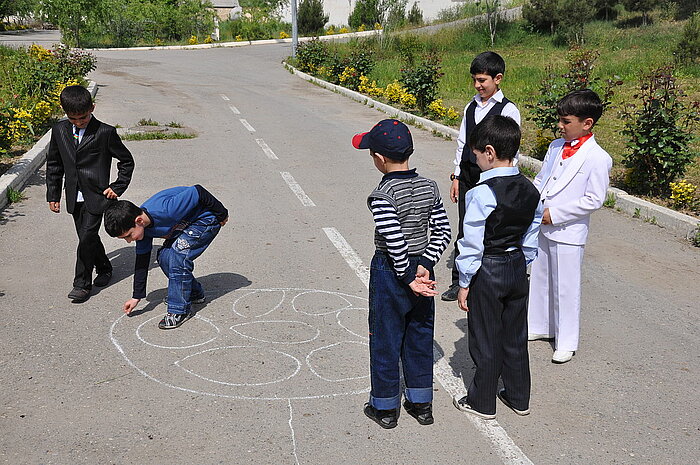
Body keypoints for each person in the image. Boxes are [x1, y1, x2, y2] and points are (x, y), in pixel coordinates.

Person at [352, 119, 451, 429]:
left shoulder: (383, 194)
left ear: (380, 159)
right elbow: (443, 230)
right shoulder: (429, 186)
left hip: (390, 273)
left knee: (385, 337)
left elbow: (393, 240)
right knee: (419, 334)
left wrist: (408, 276)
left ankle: (384, 406)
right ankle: (421, 404)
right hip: (423, 267)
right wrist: (424, 263)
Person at [452, 115, 543, 420]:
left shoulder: (480, 193)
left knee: (486, 337)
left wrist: (465, 282)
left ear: (489, 152)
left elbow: (472, 243)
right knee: (515, 334)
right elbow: (531, 238)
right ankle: (518, 397)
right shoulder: (531, 190)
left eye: (476, 154)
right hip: (517, 265)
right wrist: (523, 266)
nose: (475, 160)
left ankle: (482, 402)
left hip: (488, 269)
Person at [527, 89, 612, 364]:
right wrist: (530, 201)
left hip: (568, 229)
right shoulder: (554, 147)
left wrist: (558, 214)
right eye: (560, 121)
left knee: (565, 285)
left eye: (566, 122)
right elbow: (542, 178)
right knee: (540, 277)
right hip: (542, 221)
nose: (560, 126)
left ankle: (566, 340)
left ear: (587, 123)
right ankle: (540, 325)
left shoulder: (598, 157)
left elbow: (594, 199)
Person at [442, 51, 522, 302]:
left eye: (482, 81)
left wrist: (504, 179)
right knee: (466, 226)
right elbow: (462, 141)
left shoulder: (508, 110)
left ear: (497, 79)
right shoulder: (470, 107)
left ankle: (486, 277)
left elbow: (512, 149)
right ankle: (459, 279)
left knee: (490, 227)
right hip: (468, 174)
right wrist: (456, 175)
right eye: (475, 80)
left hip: (493, 178)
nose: (478, 85)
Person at [46, 85, 135, 303]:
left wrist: (117, 186)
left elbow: (126, 161)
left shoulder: (105, 132)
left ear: (92, 108)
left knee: (86, 238)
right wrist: (53, 194)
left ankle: (82, 284)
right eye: (73, 118)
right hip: (73, 197)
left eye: (83, 118)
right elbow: (54, 164)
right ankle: (104, 267)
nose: (78, 122)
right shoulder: (59, 130)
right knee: (88, 237)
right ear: (64, 112)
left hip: (97, 196)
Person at [103, 185, 229, 329]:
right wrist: (136, 296)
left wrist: (222, 213)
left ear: (139, 221)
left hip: (206, 219)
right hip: (186, 226)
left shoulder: (166, 209)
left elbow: (198, 191)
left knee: (178, 254)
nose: (129, 241)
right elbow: (142, 262)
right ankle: (194, 293)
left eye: (129, 235)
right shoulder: (142, 230)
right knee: (164, 257)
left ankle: (179, 310)